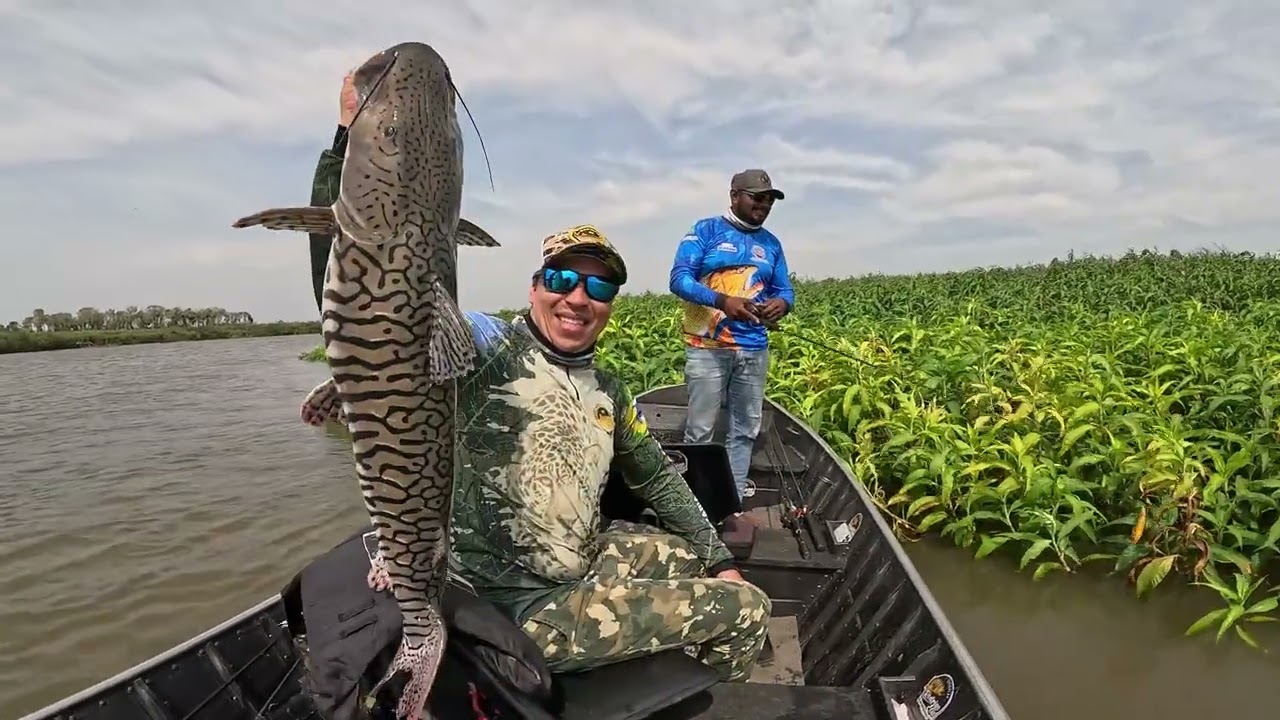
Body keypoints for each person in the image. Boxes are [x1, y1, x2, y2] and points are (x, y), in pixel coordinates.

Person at [304, 74, 772, 683]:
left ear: (611, 303)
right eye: (561, 279)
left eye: (598, 285)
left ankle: (636, 647)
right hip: (512, 605)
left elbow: (658, 478)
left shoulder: (608, 389)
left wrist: (716, 556)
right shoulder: (483, 348)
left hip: (574, 563)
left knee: (690, 555)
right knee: (747, 608)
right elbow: (368, 299)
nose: (578, 297)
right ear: (534, 288)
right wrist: (347, 140)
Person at [668, 169, 796, 503]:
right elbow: (679, 279)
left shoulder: (771, 244)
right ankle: (694, 505)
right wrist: (722, 301)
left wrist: (782, 304)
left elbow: (785, 289)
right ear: (734, 196)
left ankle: (732, 503)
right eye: (757, 198)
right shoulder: (705, 230)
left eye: (769, 200)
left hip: (754, 350)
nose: (763, 205)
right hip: (707, 348)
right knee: (700, 431)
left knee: (745, 431)